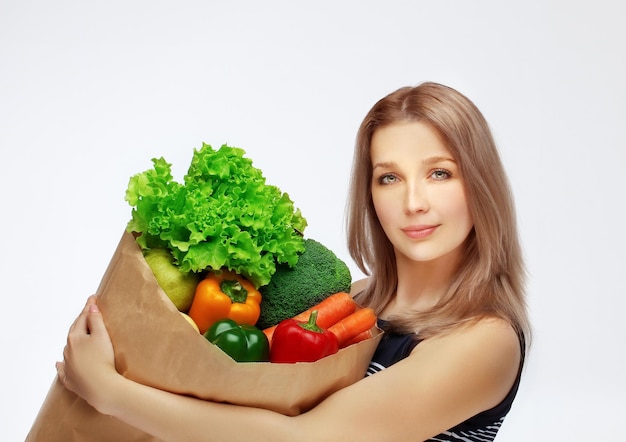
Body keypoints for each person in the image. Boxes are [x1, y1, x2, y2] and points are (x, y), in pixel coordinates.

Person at [57, 82, 530, 441]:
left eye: (439, 173)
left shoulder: (485, 340)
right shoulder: (356, 297)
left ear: (480, 185)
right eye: (389, 178)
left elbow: (307, 440)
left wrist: (113, 393)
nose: (413, 202)